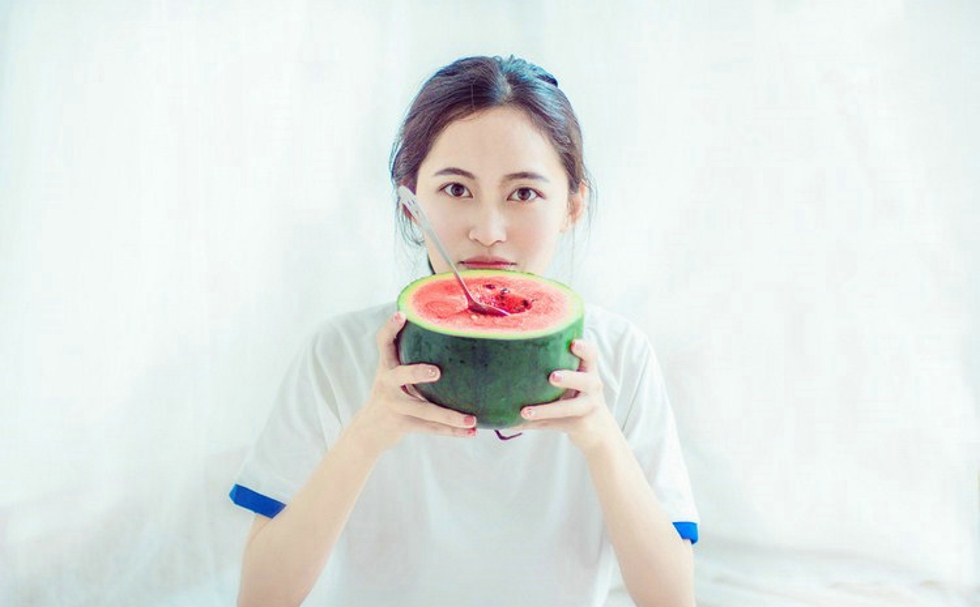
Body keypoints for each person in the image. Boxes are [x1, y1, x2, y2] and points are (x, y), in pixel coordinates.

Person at [229, 55, 699, 607]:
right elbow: (260, 597)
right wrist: (368, 433)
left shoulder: (620, 357)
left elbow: (672, 600)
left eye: (523, 193)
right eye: (456, 189)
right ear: (411, 203)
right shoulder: (337, 354)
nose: (488, 231)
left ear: (573, 206)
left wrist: (599, 436)